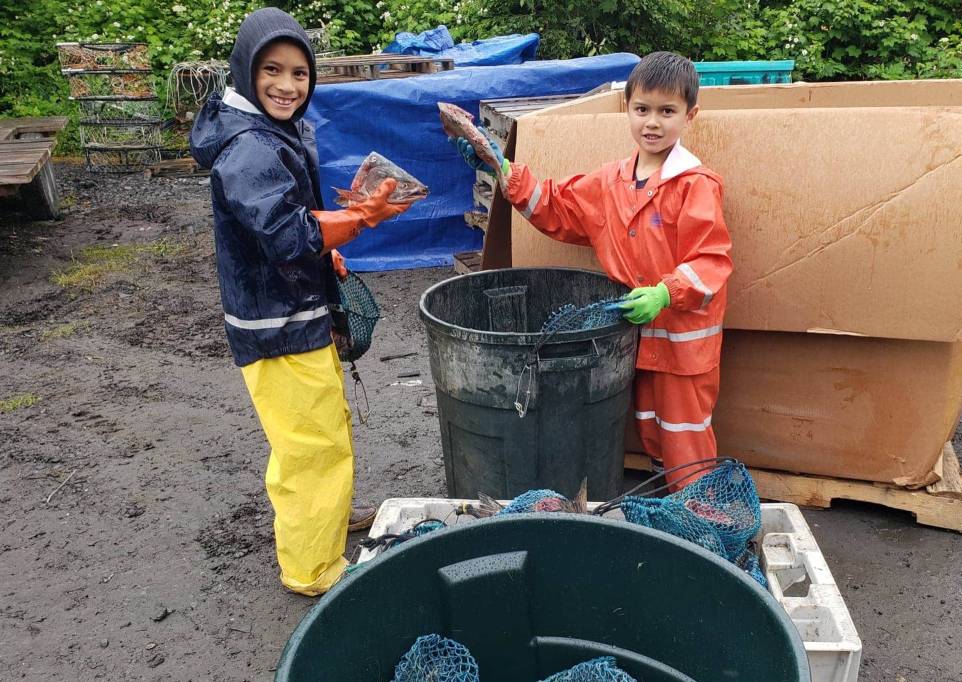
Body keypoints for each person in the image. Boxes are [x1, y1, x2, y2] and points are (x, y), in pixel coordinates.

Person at [190, 7, 410, 596]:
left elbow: (291, 227)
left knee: (323, 427)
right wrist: (359, 218)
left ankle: (327, 521)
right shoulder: (248, 148)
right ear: (244, 71)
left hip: (296, 307)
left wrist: (328, 247)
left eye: (299, 72)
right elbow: (286, 233)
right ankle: (314, 570)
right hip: (276, 323)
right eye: (271, 70)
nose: (287, 86)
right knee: (311, 446)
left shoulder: (273, 129)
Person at [453, 52, 732, 491]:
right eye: (642, 110)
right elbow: (555, 205)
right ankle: (674, 509)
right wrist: (501, 169)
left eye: (667, 111)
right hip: (634, 343)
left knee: (686, 439)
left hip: (682, 350)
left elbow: (711, 261)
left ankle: (704, 519)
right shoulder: (610, 183)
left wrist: (666, 293)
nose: (652, 123)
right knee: (651, 429)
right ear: (627, 108)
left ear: (689, 115)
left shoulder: (696, 185)